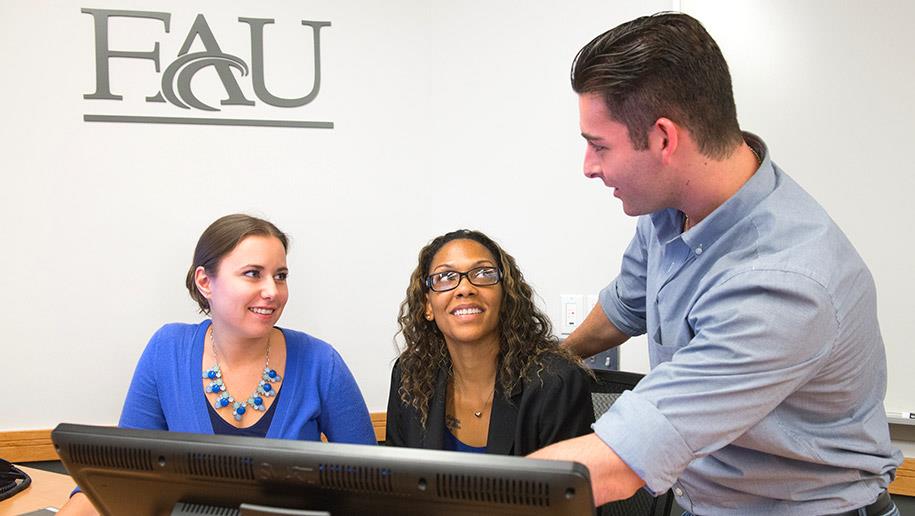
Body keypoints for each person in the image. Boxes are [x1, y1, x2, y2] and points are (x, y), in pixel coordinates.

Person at [528, 12, 903, 516]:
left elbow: (619, 462)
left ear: (664, 138)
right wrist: (547, 362)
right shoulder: (670, 211)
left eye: (599, 146)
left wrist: (469, 498)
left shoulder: (783, 284)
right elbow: (625, 306)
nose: (589, 167)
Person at [60, 214, 376, 515]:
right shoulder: (167, 350)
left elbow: (374, 488)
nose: (272, 291)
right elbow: (116, 475)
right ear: (205, 281)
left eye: (280, 276)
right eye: (253, 273)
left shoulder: (322, 362)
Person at [386, 229, 594, 455]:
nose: (465, 289)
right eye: (445, 277)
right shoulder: (410, 375)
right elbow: (398, 485)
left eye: (483, 273)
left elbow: (565, 488)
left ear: (506, 296)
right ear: (428, 306)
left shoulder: (556, 383)